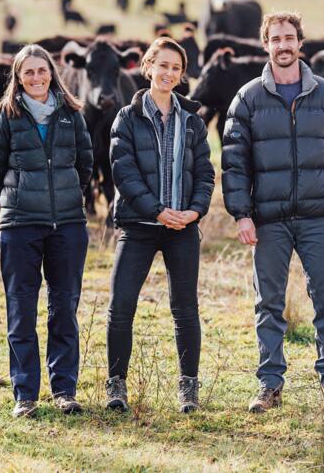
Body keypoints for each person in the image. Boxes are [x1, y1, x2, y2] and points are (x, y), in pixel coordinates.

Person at [222, 11, 324, 413]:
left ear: (301, 43)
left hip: (320, 216)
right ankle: (269, 385)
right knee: (268, 303)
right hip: (268, 220)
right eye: (275, 39)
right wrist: (242, 214)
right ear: (265, 45)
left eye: (289, 38)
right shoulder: (248, 98)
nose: (283, 45)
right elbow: (234, 162)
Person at [106, 37, 215, 413]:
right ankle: (116, 386)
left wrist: (195, 211)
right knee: (121, 304)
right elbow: (124, 170)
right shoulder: (127, 117)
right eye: (162, 65)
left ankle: (188, 388)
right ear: (147, 66)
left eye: (176, 68)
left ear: (181, 76)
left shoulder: (193, 122)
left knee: (185, 308)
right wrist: (155, 210)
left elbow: (205, 173)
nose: (168, 73)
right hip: (138, 225)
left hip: (182, 228)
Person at [0, 45, 93, 418]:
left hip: (68, 226)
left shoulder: (71, 115)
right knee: (21, 309)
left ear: (52, 73)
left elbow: (85, 163)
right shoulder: (5, 117)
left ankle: (64, 390)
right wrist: (16, 202)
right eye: (27, 72)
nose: (35, 78)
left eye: (41, 71)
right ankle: (25, 394)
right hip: (20, 227)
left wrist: (67, 197)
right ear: (17, 77)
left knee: (64, 307)